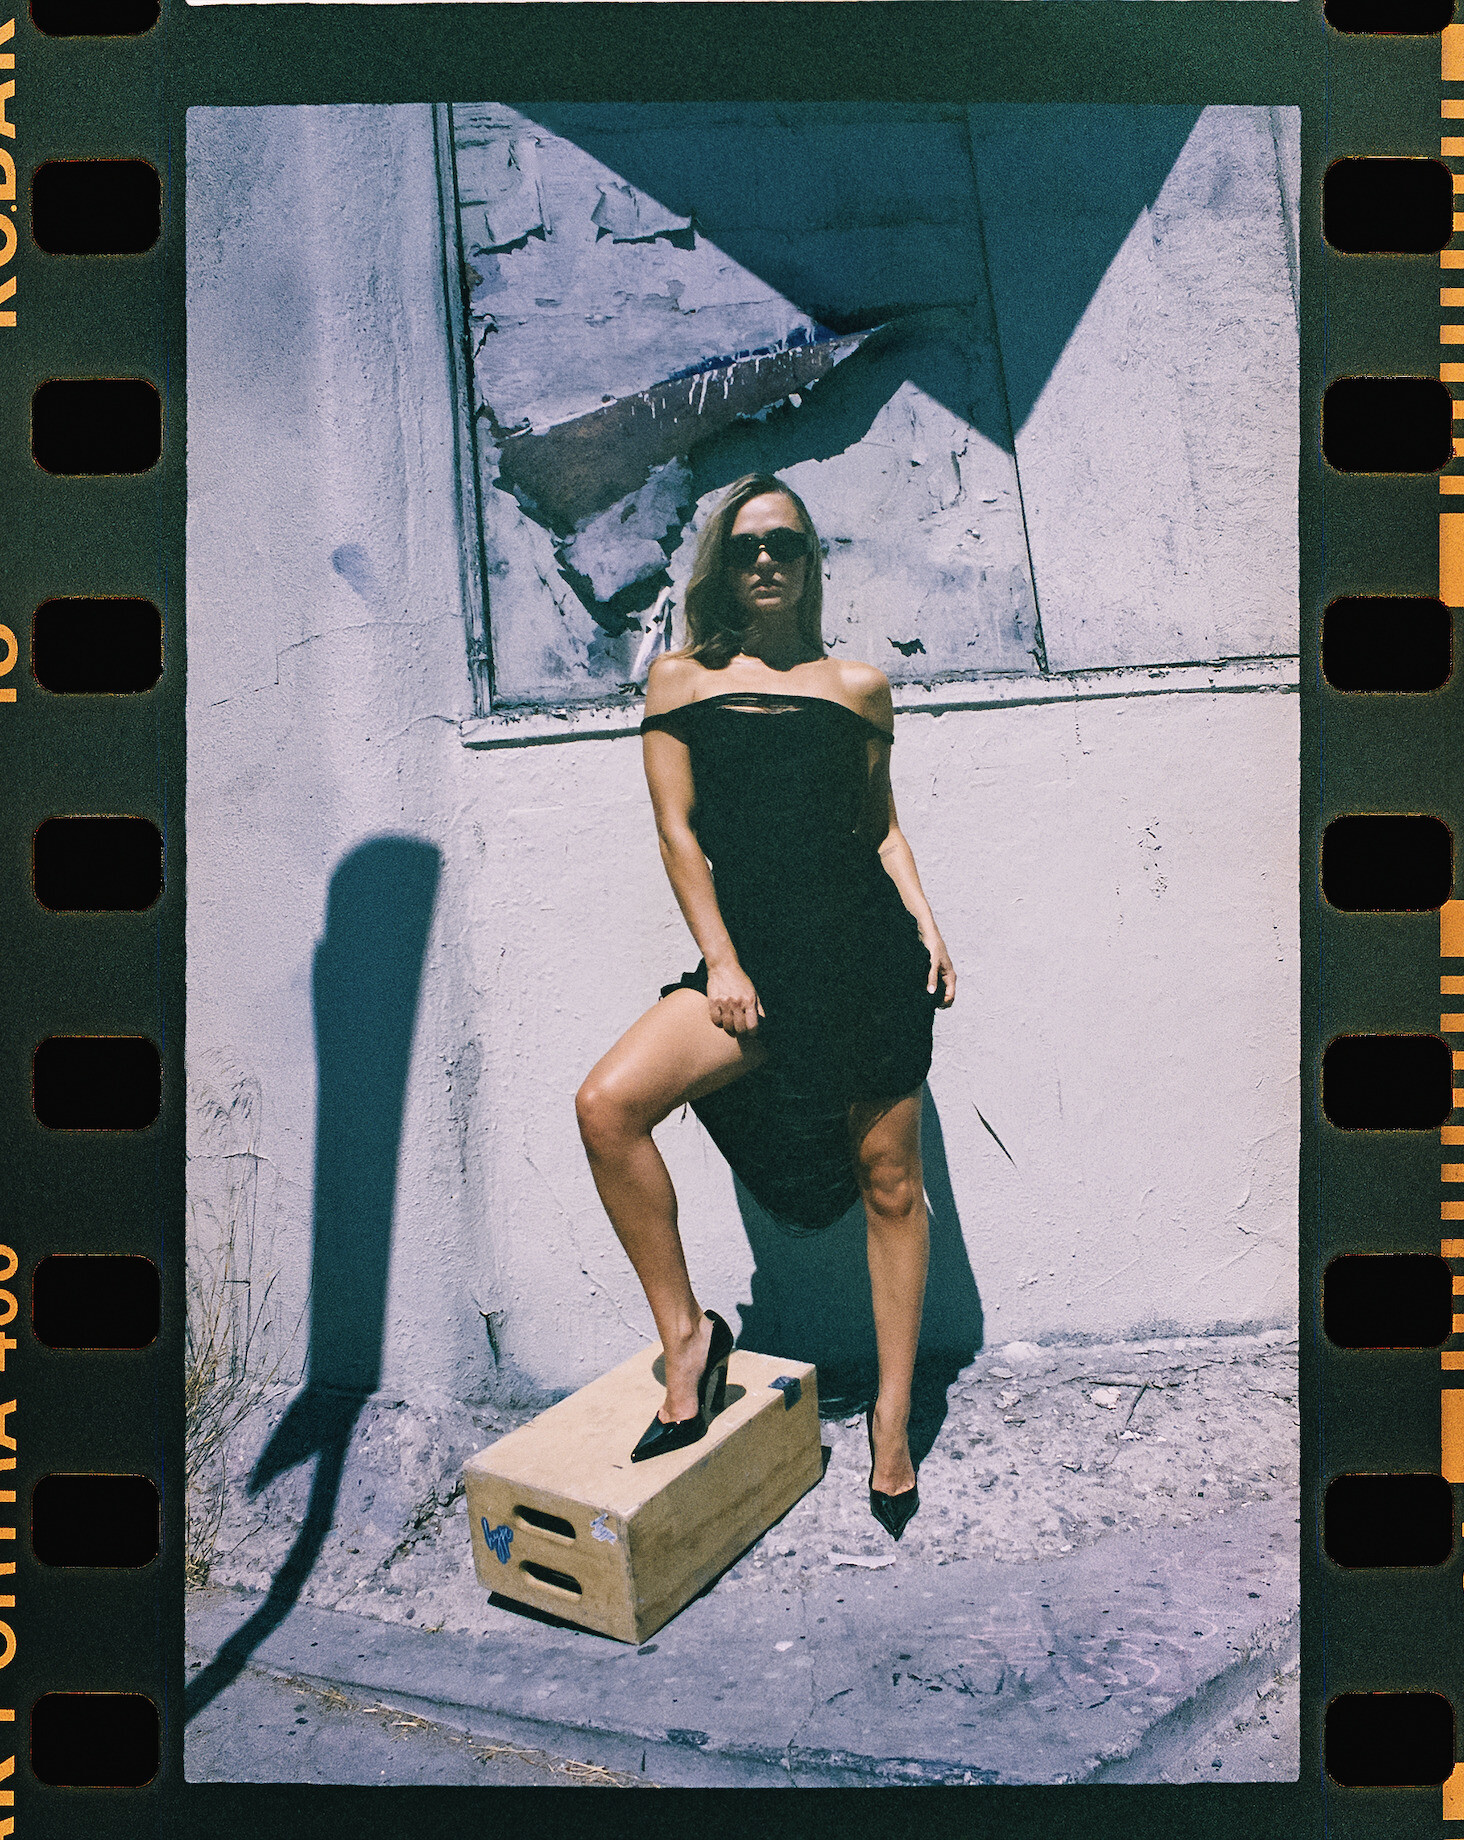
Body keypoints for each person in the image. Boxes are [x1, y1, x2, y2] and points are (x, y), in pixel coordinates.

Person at [574, 473, 957, 1539]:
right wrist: (722, 962)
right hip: (752, 963)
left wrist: (928, 923)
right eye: (745, 547)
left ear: (810, 561)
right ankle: (689, 1337)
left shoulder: (859, 686)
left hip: (866, 958)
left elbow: (881, 828)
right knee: (608, 1107)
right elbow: (677, 834)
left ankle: (890, 1418)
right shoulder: (679, 681)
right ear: (721, 567)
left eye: (784, 544)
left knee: (892, 1184)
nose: (765, 562)